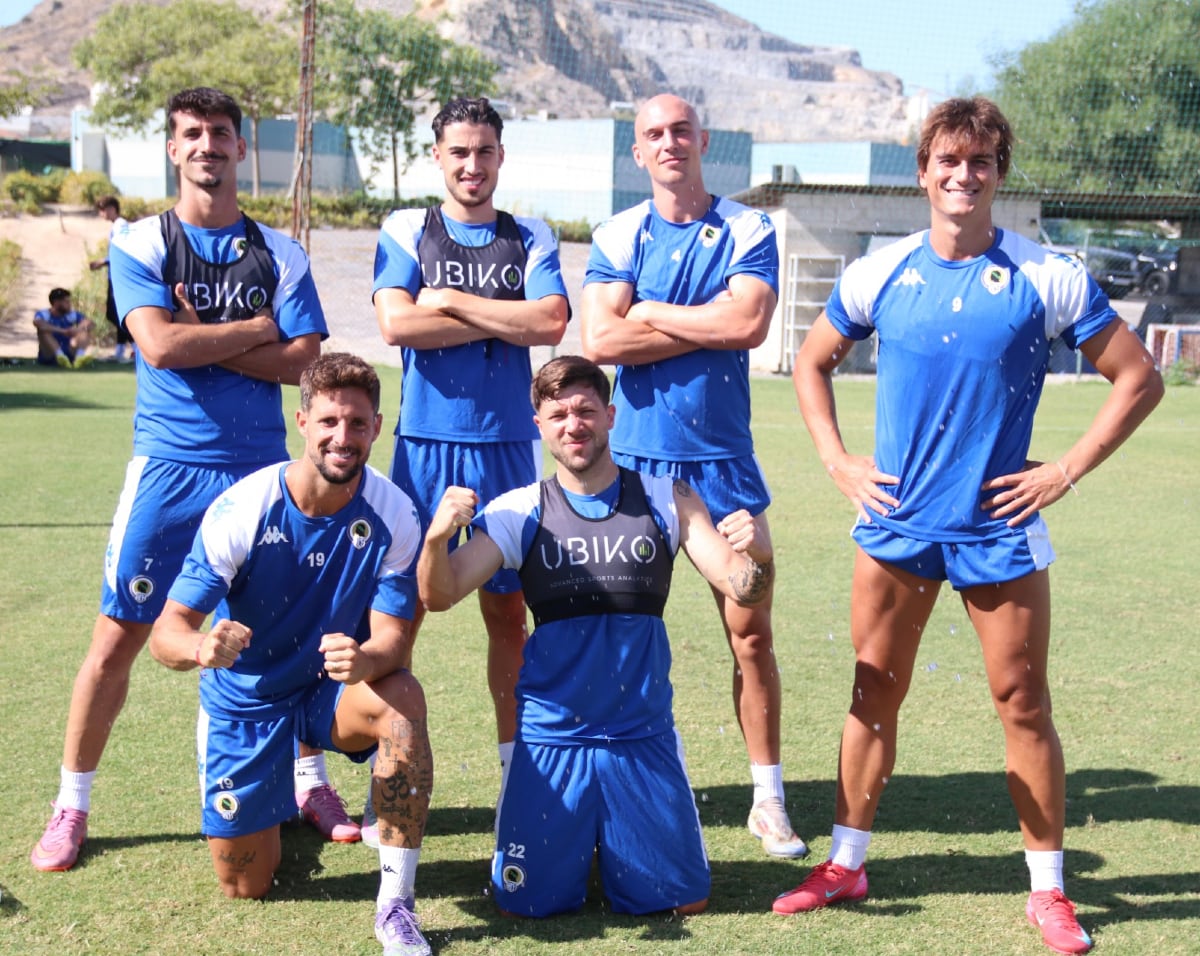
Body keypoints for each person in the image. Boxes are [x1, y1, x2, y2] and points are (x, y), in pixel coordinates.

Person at [785, 96, 1164, 955]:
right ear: (923, 171)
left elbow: (1137, 378)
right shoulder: (880, 272)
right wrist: (839, 461)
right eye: (948, 162)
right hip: (898, 523)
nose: (963, 176)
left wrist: (1064, 469)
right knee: (871, 690)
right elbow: (812, 361)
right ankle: (847, 863)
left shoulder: (1046, 274)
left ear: (999, 173)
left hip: (996, 528)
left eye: (981, 163)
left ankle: (1049, 891)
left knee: (1022, 702)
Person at [29, 86, 350, 875]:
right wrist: (252, 331)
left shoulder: (282, 251)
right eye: (192, 133)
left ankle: (308, 780)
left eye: (221, 133)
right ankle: (72, 804)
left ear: (243, 149)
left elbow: (306, 361)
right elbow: (159, 348)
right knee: (118, 638)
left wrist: (197, 334)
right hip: (168, 471)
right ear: (173, 149)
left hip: (260, 473)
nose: (207, 145)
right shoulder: (141, 240)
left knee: (291, 635)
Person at [419, 355, 775, 917]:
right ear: (538, 424)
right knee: (524, 905)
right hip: (552, 740)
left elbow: (742, 588)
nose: (573, 424)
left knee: (684, 903)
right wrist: (437, 541)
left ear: (610, 416)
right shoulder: (519, 511)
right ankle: (576, 837)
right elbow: (440, 594)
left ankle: (611, 838)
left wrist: (760, 556)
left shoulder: (668, 497)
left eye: (586, 410)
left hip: (640, 734)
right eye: (558, 414)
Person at [580, 93, 806, 858]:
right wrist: (693, 317)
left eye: (681, 130)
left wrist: (651, 310)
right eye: (653, 134)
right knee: (619, 639)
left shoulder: (747, 226)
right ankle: (619, 790)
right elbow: (601, 339)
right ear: (637, 153)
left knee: (751, 633)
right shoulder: (617, 231)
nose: (669, 142)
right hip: (634, 468)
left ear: (703, 139)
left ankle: (769, 801)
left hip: (721, 465)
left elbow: (746, 324)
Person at [148, 352, 434, 956]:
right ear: (302, 422)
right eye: (329, 421)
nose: (343, 437)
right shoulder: (243, 508)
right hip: (247, 700)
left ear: (377, 428)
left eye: (357, 424)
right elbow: (165, 635)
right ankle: (276, 789)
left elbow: (392, 640)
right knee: (245, 885)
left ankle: (395, 906)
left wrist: (366, 662)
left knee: (402, 697)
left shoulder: (395, 512)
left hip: (323, 695)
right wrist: (203, 646)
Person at [372, 94, 569, 833]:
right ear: (438, 157)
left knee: (506, 619)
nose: (472, 165)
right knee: (399, 617)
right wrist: (497, 314)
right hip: (422, 452)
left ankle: (514, 772)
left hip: (508, 452)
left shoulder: (529, 234)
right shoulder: (406, 228)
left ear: (501, 156)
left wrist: (449, 298)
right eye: (459, 151)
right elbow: (396, 323)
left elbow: (549, 321)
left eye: (484, 151)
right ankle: (385, 768)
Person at [89, 195, 135, 363]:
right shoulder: (116, 226)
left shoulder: (121, 225)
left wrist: (103, 261)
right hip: (114, 276)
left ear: (112, 208)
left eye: (103, 209)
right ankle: (120, 350)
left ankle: (137, 348)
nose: (102, 214)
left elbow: (124, 248)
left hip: (119, 277)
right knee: (113, 313)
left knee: (116, 314)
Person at [33, 287, 93, 368]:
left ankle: (79, 357)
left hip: (69, 350)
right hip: (49, 354)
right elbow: (38, 323)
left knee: (85, 330)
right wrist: (63, 331)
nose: (70, 304)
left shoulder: (71, 314)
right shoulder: (44, 314)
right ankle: (59, 356)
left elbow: (89, 322)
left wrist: (77, 329)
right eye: (67, 302)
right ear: (56, 303)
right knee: (43, 331)